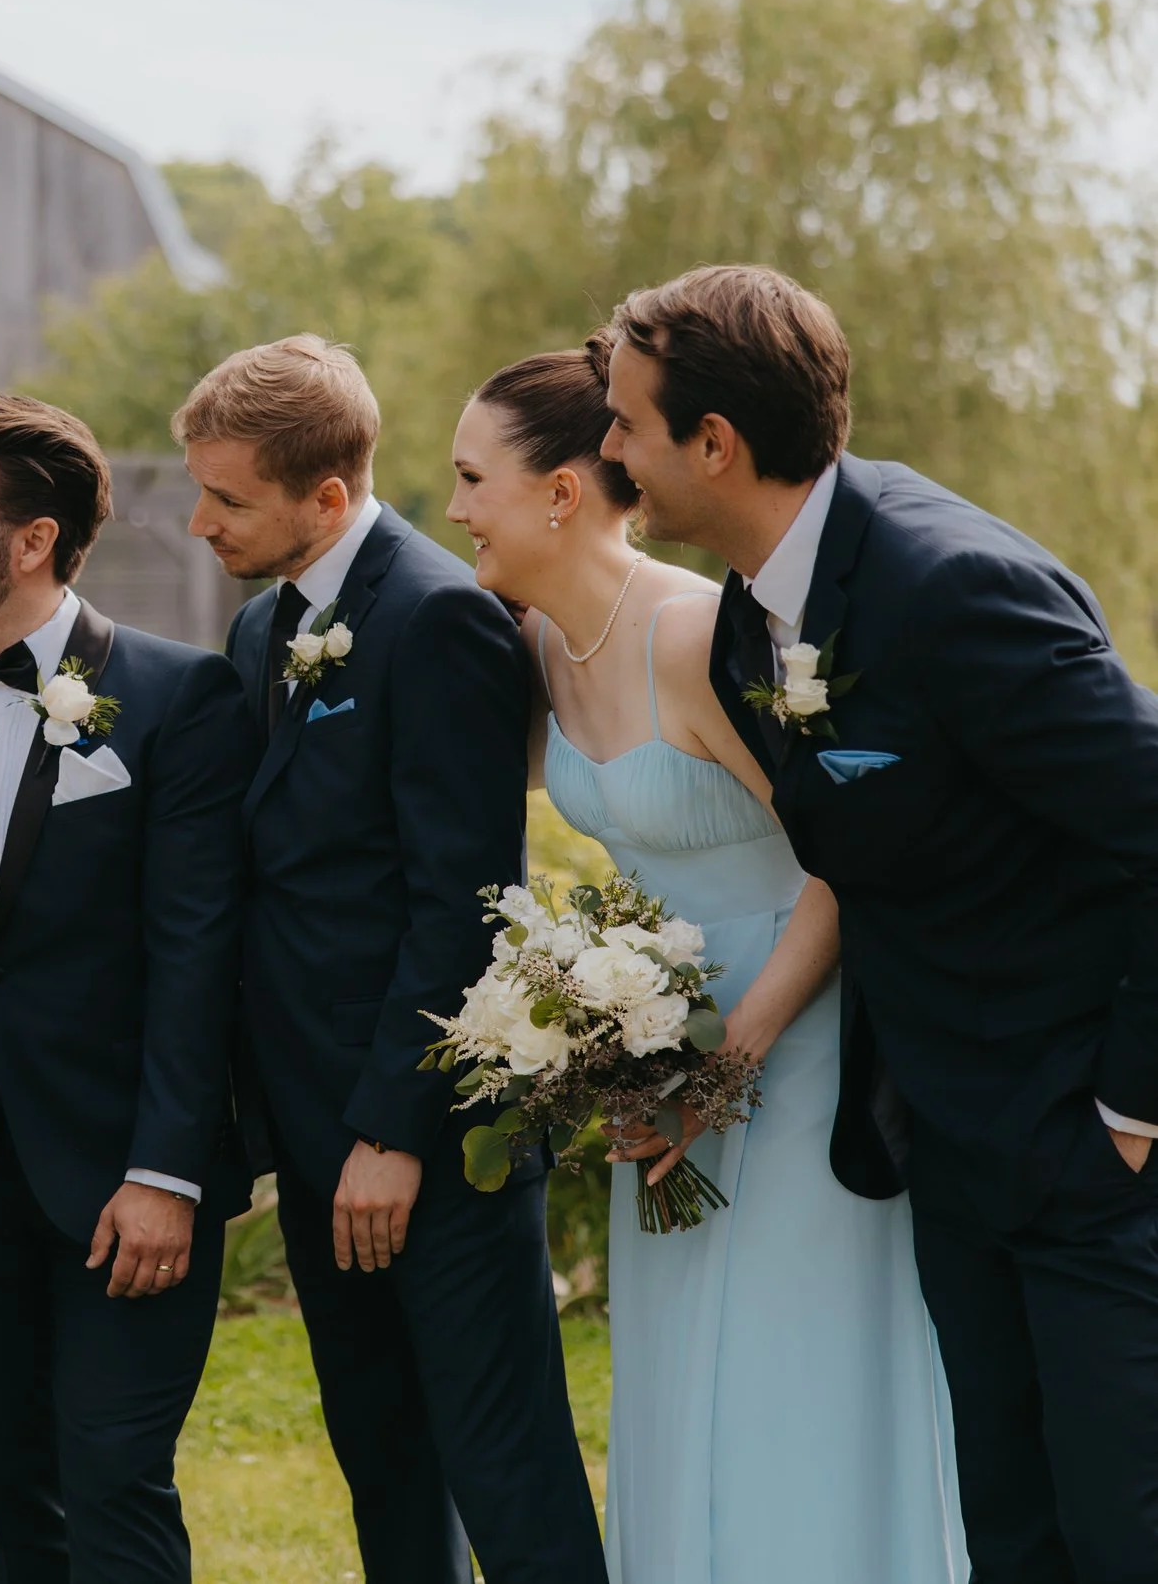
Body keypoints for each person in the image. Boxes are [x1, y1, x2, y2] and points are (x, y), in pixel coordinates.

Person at [600, 263, 1158, 1581]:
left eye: (625, 421)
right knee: (1011, 1532)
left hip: (1089, 1146)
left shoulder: (952, 587)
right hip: (953, 1148)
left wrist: (1130, 1112)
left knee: (1125, 1529)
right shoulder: (748, 618)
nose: (611, 447)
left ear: (717, 444)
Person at [446, 344, 964, 1582]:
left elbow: (844, 864)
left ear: (561, 493)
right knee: (685, 1362)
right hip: (656, 1051)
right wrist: (583, 1019)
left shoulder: (691, 639)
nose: (455, 506)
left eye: (472, 478)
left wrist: (728, 1057)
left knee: (800, 1357)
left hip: (795, 1036)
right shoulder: (533, 650)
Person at [189, 337, 603, 1583]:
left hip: (430, 1136)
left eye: (227, 497)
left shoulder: (439, 618)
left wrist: (392, 1131)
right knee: (383, 1457)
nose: (199, 520)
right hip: (317, 1130)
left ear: (325, 495)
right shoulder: (263, 627)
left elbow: (465, 905)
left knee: (503, 1462)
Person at [0, 391, 254, 1584]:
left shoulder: (182, 696)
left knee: (116, 1479)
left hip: (128, 1180)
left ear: (29, 540)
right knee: (9, 1502)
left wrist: (165, 1170)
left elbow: (197, 950)